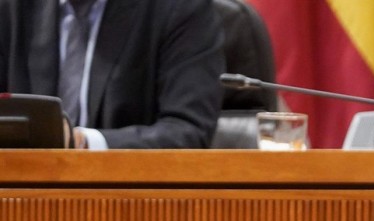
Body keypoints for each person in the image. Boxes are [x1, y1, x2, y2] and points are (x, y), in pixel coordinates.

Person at [0, 0, 223, 149]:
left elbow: (188, 130)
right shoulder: (12, 8)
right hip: (22, 196)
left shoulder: (181, 8)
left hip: (133, 200)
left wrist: (82, 142)